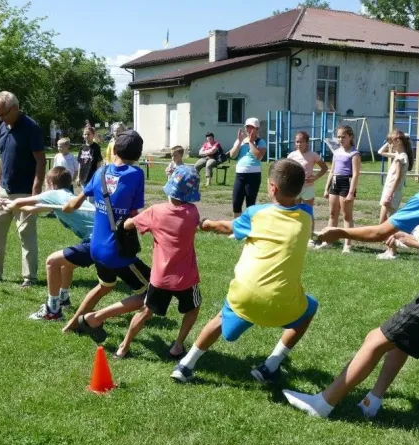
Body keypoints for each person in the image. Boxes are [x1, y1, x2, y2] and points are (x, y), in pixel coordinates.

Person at [284, 134, 419, 419]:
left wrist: (340, 232)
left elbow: (379, 232)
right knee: (402, 339)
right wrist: (409, 240)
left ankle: (322, 404)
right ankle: (372, 401)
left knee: (375, 339)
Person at [170, 159, 317, 384]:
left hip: (245, 298)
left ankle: (185, 365)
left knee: (222, 319)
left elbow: (226, 227)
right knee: (310, 307)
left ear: (273, 188)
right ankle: (270, 366)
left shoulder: (256, 214)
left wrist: (205, 223)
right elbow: (299, 203)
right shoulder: (307, 216)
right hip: (284, 304)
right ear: (300, 189)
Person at [89, 165, 203, 360]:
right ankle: (177, 346)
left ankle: (123, 347)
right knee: (193, 308)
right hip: (186, 278)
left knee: (145, 311)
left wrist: (126, 221)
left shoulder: (155, 212)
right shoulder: (193, 213)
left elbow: (127, 225)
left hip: (160, 278)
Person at [61, 130, 151, 337]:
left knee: (105, 285)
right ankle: (94, 318)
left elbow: (74, 204)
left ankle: (71, 325)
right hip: (117, 250)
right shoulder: (136, 174)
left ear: (115, 149)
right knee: (151, 294)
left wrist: (65, 207)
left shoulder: (100, 172)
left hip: (96, 248)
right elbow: (134, 214)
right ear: (138, 154)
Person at [3, 166, 96, 321]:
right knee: (66, 264)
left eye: (46, 184)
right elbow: (32, 209)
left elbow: (20, 201)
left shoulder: (54, 194)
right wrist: (7, 204)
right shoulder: (64, 196)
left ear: (51, 184)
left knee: (52, 262)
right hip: (102, 238)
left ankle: (52, 310)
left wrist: (12, 204)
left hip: (97, 240)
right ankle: (63, 299)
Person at [0, 91, 46, 289]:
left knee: (26, 234)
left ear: (15, 109)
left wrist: (35, 191)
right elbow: (2, 157)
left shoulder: (32, 128)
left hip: (24, 192)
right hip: (4, 190)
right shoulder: (2, 126)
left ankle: (29, 277)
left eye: (3, 114)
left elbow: (41, 161)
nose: (0, 118)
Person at [316, 125, 361, 253]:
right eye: (339, 137)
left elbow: (356, 174)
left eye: (343, 137)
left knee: (346, 216)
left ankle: (347, 245)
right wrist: (326, 188)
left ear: (350, 137)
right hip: (335, 183)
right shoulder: (336, 152)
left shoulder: (354, 153)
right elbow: (332, 171)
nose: (340, 139)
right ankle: (328, 241)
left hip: (347, 183)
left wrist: (351, 193)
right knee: (332, 214)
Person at [375, 130, 413, 261]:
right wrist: (392, 140)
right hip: (392, 191)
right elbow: (380, 151)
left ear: (398, 142)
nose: (389, 145)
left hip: (391, 192)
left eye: (391, 142)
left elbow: (397, 177)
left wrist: (389, 195)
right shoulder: (400, 155)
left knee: (384, 223)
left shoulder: (400, 157)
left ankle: (393, 249)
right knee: (388, 222)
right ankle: (390, 250)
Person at [228, 117, 266, 217]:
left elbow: (258, 156)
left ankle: (249, 224)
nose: (249, 130)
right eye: (247, 127)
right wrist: (239, 141)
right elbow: (232, 155)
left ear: (257, 129)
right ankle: (237, 224)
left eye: (252, 127)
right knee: (236, 202)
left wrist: (251, 141)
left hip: (253, 176)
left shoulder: (260, 141)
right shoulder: (240, 141)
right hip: (240, 175)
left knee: (250, 204)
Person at [287, 131, 328, 212]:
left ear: (307, 143)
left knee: (308, 211)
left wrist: (315, 178)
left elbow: (324, 168)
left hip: (308, 187)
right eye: (297, 142)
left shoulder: (313, 155)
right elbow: (286, 170)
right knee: (295, 211)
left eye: (301, 142)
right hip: (295, 187)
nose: (299, 144)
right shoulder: (291, 155)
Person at [76, 125, 103, 192]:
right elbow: (80, 164)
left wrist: (97, 176)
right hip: (83, 176)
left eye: (88, 134)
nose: (86, 136)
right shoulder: (82, 148)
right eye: (85, 134)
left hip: (92, 176)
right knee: (84, 195)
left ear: (93, 135)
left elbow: (98, 163)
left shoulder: (96, 147)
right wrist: (78, 177)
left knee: (91, 196)